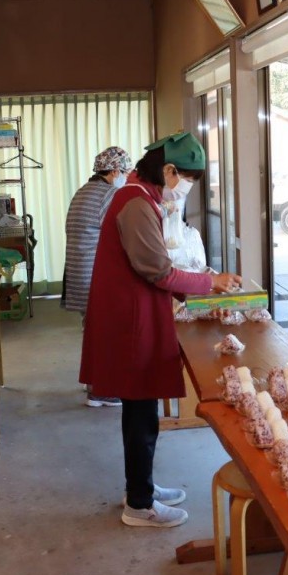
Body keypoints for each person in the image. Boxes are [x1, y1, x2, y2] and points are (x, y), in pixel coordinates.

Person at [80, 132, 241, 528]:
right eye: (185, 180)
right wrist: (210, 283)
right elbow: (158, 270)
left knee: (143, 409)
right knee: (140, 412)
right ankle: (139, 504)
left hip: (135, 312)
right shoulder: (135, 203)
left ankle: (143, 487)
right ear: (168, 171)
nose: (184, 189)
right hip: (130, 320)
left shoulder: (142, 196)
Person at [61, 146, 132, 407]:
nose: (125, 176)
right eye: (124, 171)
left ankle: (93, 382)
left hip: (79, 272)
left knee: (92, 330)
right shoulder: (109, 194)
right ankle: (103, 391)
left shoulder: (82, 192)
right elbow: (120, 232)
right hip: (96, 273)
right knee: (107, 332)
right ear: (114, 171)